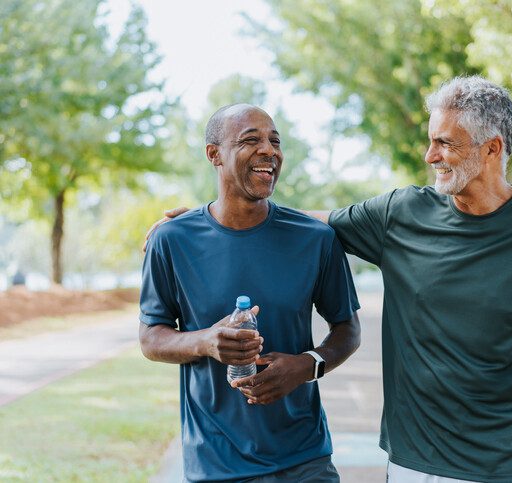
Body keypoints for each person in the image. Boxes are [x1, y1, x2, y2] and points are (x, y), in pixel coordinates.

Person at [146, 77, 512, 483]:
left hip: (510, 460)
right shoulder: (402, 213)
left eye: (446, 143)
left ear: (492, 148)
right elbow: (311, 221)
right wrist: (209, 217)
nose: (431, 155)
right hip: (414, 458)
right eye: (432, 140)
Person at [139, 103, 361, 482]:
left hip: (305, 460)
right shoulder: (172, 240)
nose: (269, 151)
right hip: (216, 464)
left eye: (275, 141)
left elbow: (348, 329)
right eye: (250, 140)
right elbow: (150, 338)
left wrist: (307, 365)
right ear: (215, 155)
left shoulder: (315, 239)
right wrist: (207, 341)